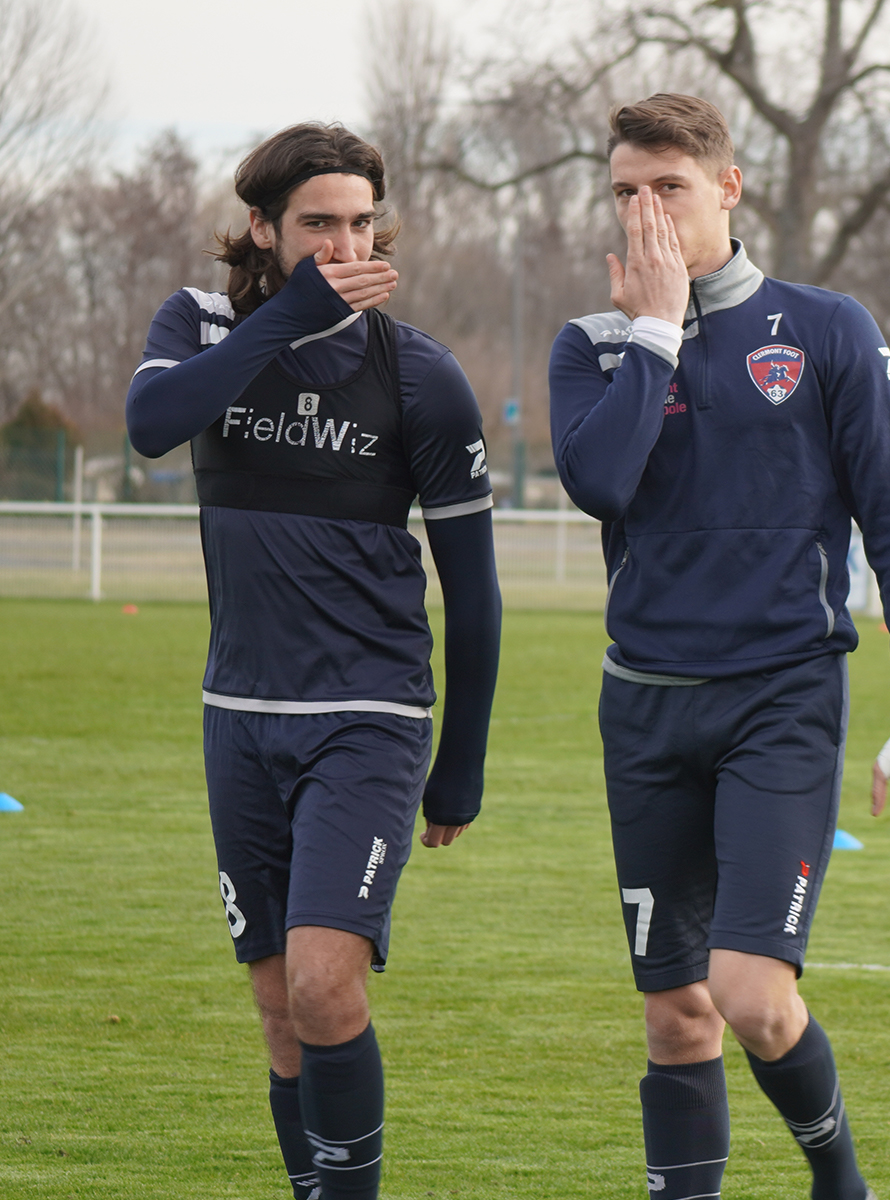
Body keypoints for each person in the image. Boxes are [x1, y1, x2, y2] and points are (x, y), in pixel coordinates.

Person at [548, 93, 890, 1200]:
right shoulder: (591, 344)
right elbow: (598, 481)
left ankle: (840, 1179)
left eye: (667, 187)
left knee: (751, 995)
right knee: (675, 1012)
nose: (645, 211)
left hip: (780, 698)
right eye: (625, 191)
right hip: (642, 710)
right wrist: (658, 330)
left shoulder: (826, 328)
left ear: (727, 188)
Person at [125, 122, 501, 1200]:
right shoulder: (198, 325)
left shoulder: (419, 372)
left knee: (328, 987)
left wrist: (460, 762)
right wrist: (291, 318)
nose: (344, 245)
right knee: (280, 1009)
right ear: (262, 228)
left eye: (359, 223)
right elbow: (154, 424)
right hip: (237, 715)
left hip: (367, 716)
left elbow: (472, 590)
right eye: (316, 225)